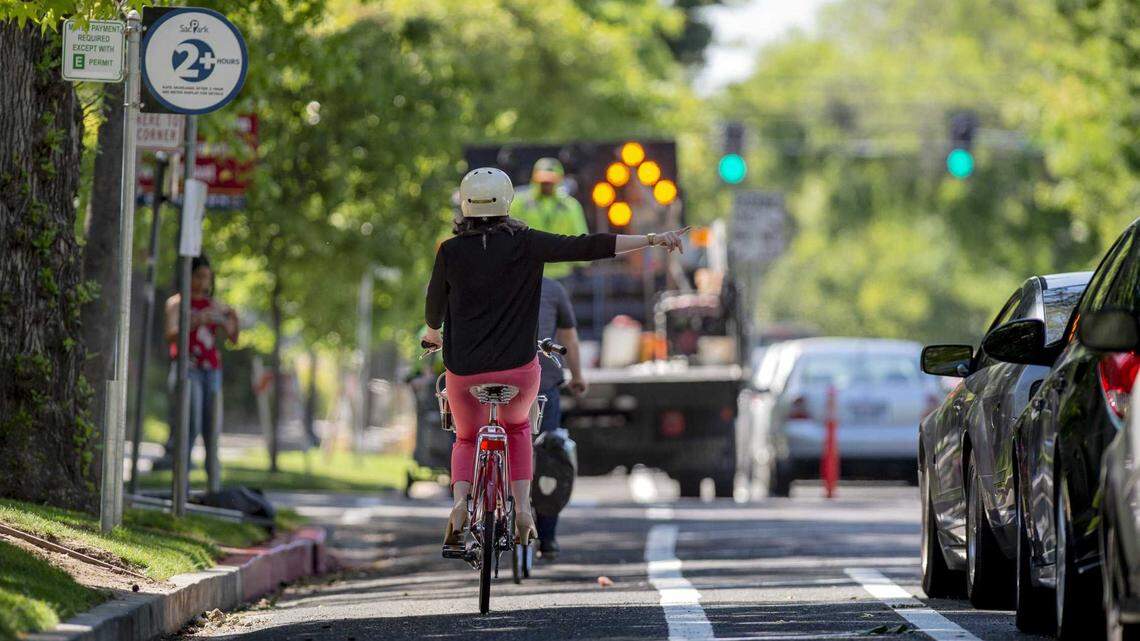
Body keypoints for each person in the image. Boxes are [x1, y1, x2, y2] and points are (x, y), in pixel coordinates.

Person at [424, 167, 687, 547]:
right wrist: (651, 238)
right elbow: (588, 245)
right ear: (507, 201)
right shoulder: (526, 243)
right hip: (518, 370)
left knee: (465, 437)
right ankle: (524, 508)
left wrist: (433, 335)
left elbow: (434, 311)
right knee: (517, 430)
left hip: (464, 371)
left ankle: (462, 502)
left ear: (465, 204)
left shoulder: (449, 251)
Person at [161, 255, 239, 485]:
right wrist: (195, 321)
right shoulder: (177, 302)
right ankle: (180, 488)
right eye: (199, 276)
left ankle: (214, 488)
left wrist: (230, 319)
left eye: (207, 277)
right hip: (188, 369)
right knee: (189, 427)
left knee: (211, 431)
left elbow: (234, 337)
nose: (203, 282)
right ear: (189, 276)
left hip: (212, 371)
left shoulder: (215, 304)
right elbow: (170, 335)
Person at [533, 277, 585, 559]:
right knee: (549, 453)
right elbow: (568, 338)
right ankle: (548, 537)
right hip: (543, 383)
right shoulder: (552, 289)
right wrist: (577, 376)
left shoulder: (491, 280)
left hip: (496, 378)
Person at [509, 157, 589, 279]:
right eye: (543, 180)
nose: (546, 184)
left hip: (562, 272)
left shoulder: (570, 206)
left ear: (559, 180)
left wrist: (582, 263)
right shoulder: (519, 203)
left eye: (551, 181)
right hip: (529, 271)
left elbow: (580, 235)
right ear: (534, 179)